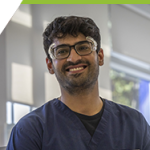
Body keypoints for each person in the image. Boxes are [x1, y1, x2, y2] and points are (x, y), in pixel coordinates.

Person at [6, 16, 150, 150]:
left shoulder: (135, 124)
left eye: (83, 47)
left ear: (99, 57)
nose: (73, 58)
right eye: (61, 51)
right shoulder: (30, 130)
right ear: (50, 65)